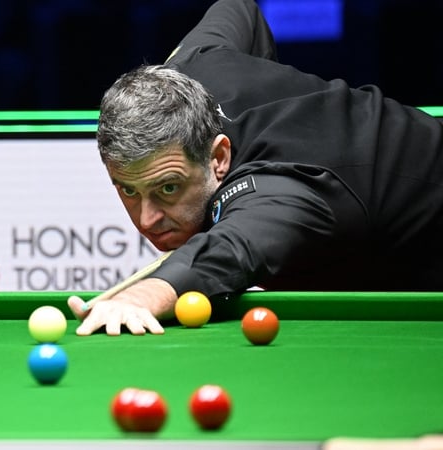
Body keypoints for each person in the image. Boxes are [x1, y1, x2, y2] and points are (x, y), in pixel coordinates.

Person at [67, 0, 443, 336]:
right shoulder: (196, 64)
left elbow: (232, 248)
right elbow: (239, 7)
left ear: (218, 159)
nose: (147, 220)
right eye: (128, 190)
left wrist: (146, 294)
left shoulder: (281, 189)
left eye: (168, 188)